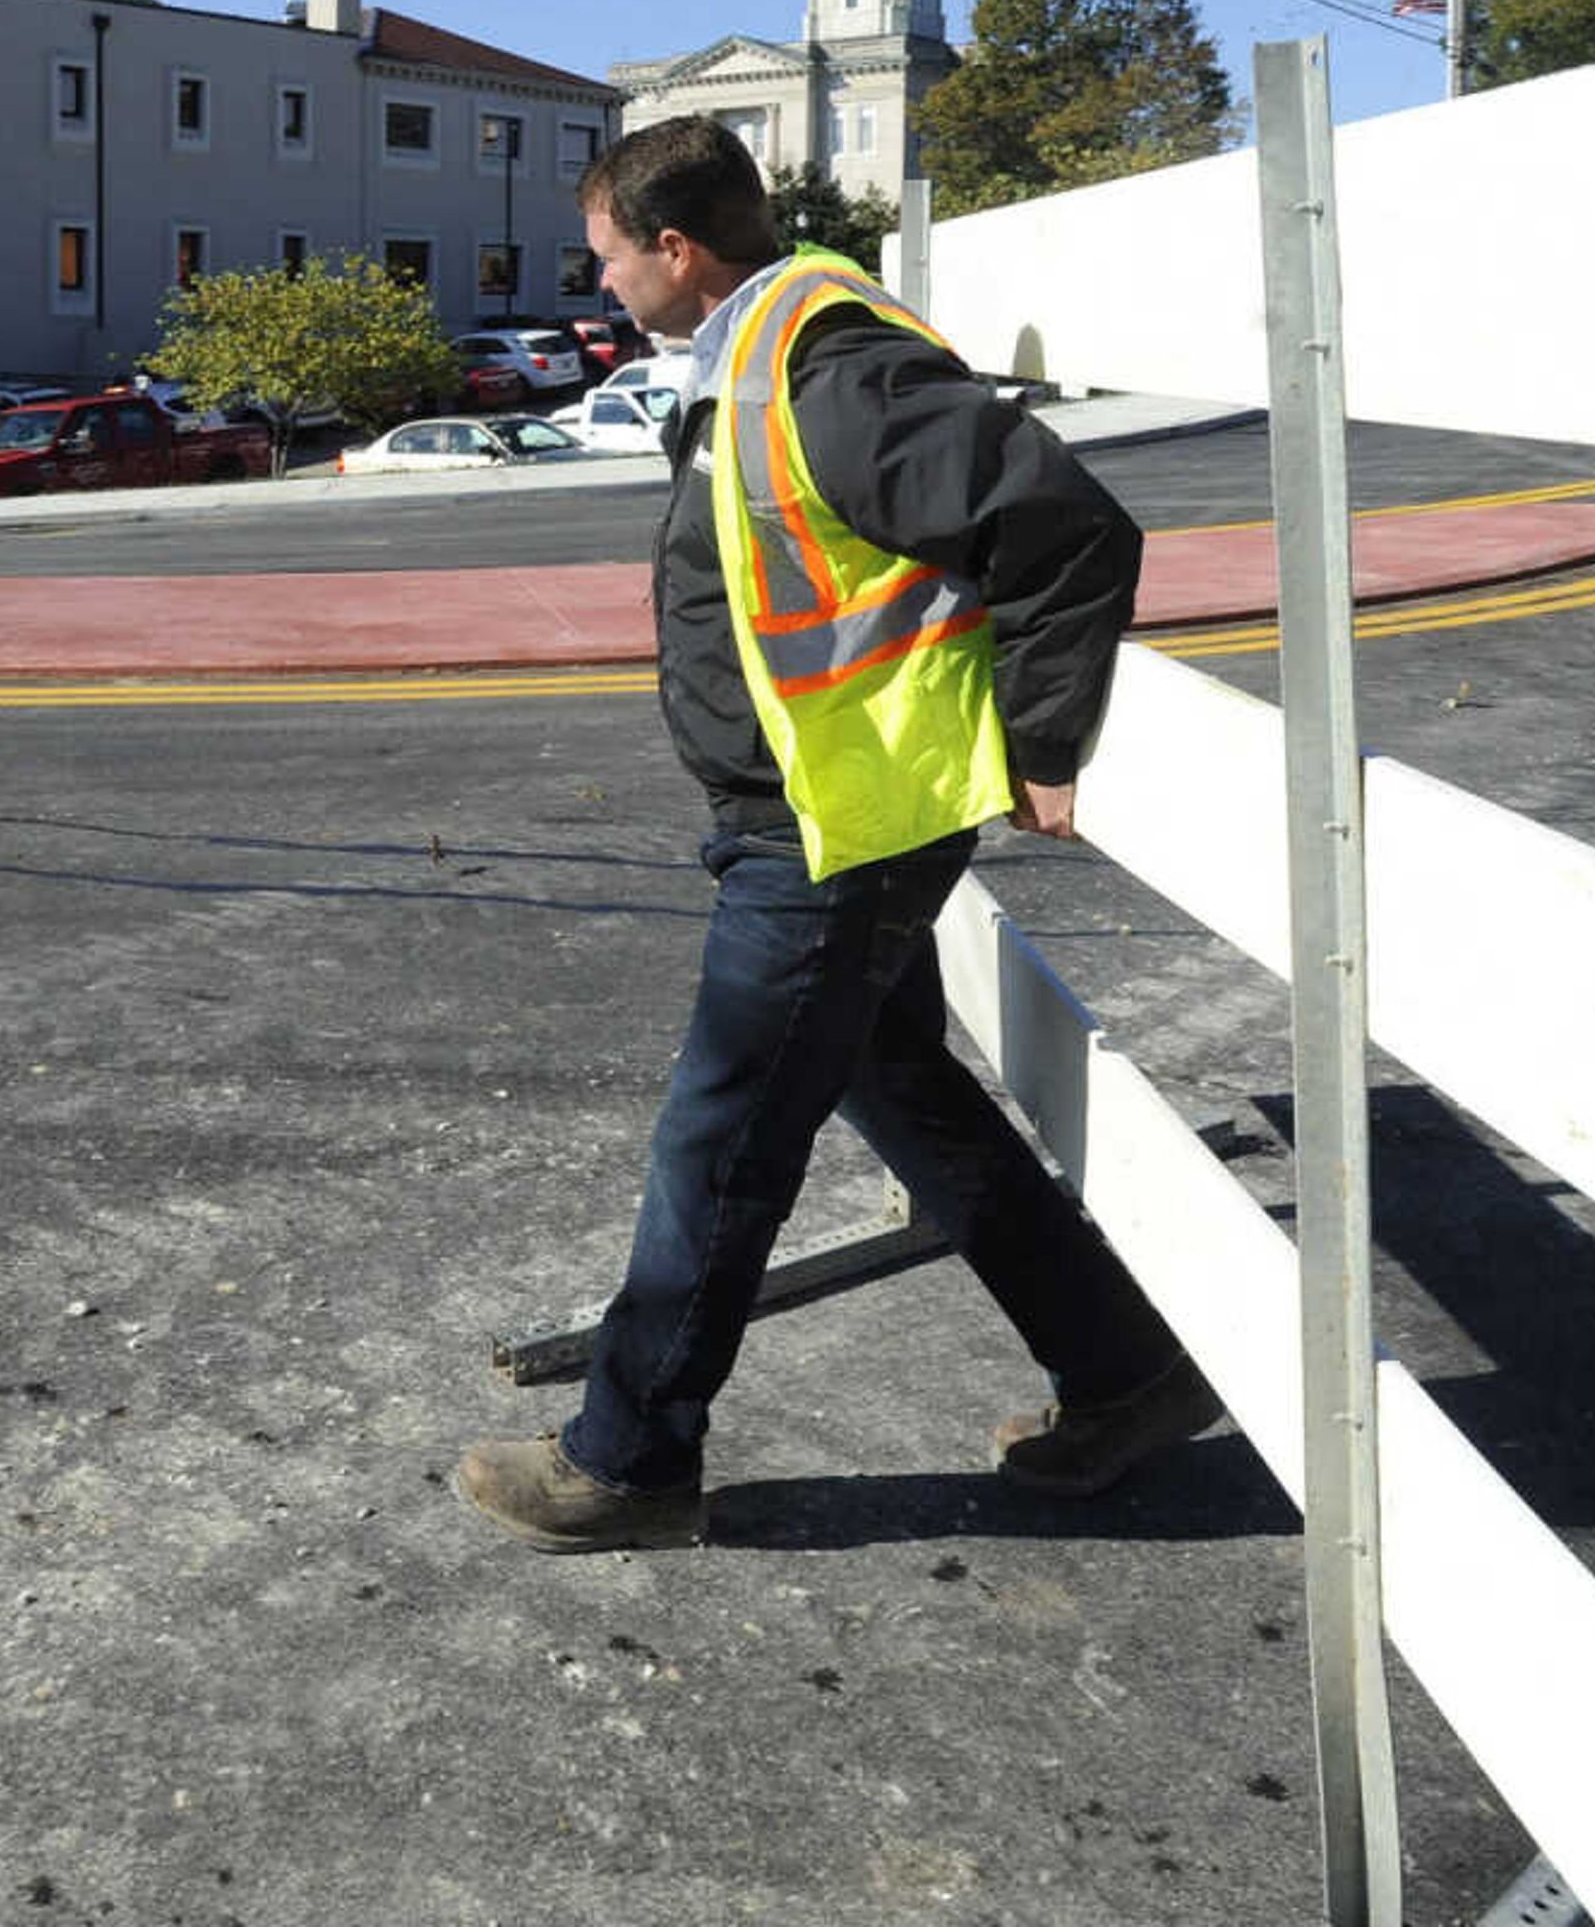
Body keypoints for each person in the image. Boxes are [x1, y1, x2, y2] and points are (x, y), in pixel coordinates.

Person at [451, 116, 1213, 1553]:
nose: (602, 283)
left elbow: (1067, 526)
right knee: (905, 1092)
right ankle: (1128, 1373)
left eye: (609, 256)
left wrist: (1048, 742)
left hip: (836, 828)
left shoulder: (828, 365)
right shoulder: (759, 345)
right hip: (809, 808)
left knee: (723, 1139)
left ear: (675, 249)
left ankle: (628, 1455)